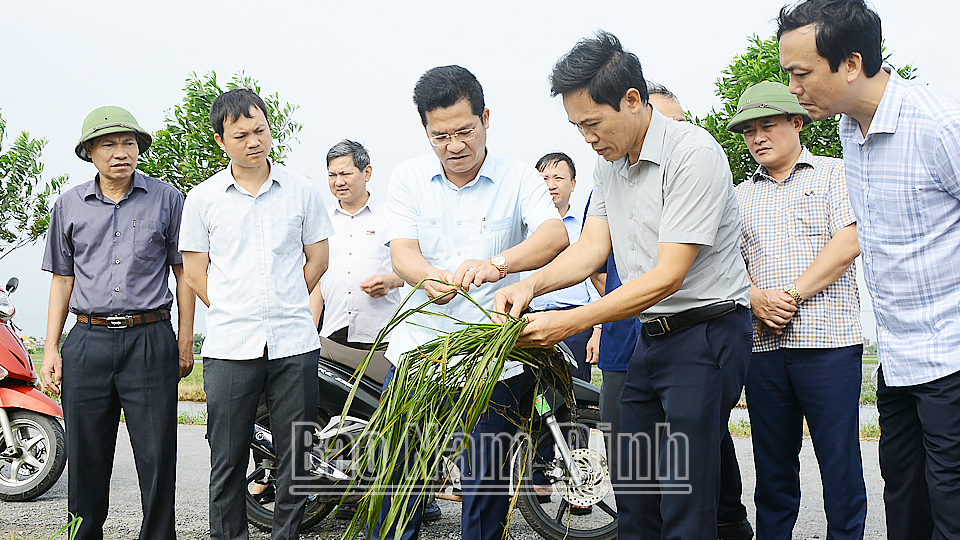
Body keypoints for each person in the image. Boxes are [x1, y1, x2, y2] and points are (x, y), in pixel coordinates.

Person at [494, 32, 752, 539]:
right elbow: (591, 248)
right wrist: (531, 286)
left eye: (593, 123)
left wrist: (572, 319)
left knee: (684, 493)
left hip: (705, 335)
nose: (587, 138)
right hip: (647, 338)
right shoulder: (609, 163)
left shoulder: (693, 155)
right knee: (634, 488)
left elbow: (668, 274)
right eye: (577, 126)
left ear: (632, 100)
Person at [778, 2, 960, 538]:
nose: (793, 88)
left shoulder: (936, 125)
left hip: (951, 357)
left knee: (952, 505)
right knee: (904, 499)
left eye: (801, 73)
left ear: (851, 62)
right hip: (898, 360)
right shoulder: (850, 132)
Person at [376, 65, 567, 540]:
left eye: (465, 130)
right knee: (397, 476)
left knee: (486, 482)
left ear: (486, 118)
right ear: (425, 130)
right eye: (440, 136)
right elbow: (402, 255)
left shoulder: (520, 178)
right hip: (419, 355)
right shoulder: (408, 178)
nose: (454, 145)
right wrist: (428, 279)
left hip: (494, 360)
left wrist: (499, 263)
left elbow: (553, 235)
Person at [178, 88, 334, 540]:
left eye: (260, 130)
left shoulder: (301, 190)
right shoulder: (203, 199)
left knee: (295, 453)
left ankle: (287, 534)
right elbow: (194, 270)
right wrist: (232, 306)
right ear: (220, 141)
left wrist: (283, 299)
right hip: (230, 345)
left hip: (294, 343)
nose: (253, 141)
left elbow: (318, 260)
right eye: (241, 134)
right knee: (226, 456)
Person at [39, 106, 195, 540]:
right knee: (86, 457)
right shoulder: (68, 205)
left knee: (157, 456)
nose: (120, 152)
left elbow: (183, 274)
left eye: (129, 143)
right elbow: (62, 279)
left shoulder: (168, 199)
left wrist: (185, 341)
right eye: (108, 144)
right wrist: (51, 348)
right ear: (89, 152)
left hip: (149, 338)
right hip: (86, 341)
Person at [728, 81, 866, 539]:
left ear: (796, 122)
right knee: (772, 470)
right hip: (764, 350)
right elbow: (726, 264)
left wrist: (790, 294)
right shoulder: (737, 196)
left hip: (829, 346)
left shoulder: (833, 174)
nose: (757, 138)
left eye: (767, 125)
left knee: (839, 466)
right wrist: (753, 296)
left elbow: (848, 242)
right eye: (748, 131)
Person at [315, 139, 442, 523]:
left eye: (346, 173)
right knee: (343, 415)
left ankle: (420, 494)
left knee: (400, 415)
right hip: (337, 330)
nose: (338, 181)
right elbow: (318, 279)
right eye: (332, 175)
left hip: (385, 335)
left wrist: (390, 280)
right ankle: (353, 493)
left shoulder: (391, 217)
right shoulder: (323, 221)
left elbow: (415, 268)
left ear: (367, 173)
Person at [528, 151, 601, 383]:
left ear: (573, 184)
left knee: (575, 392)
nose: (551, 185)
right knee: (534, 395)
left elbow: (596, 277)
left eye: (558, 178)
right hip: (532, 321)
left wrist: (598, 330)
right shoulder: (524, 227)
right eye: (544, 179)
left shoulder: (588, 227)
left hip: (576, 324)